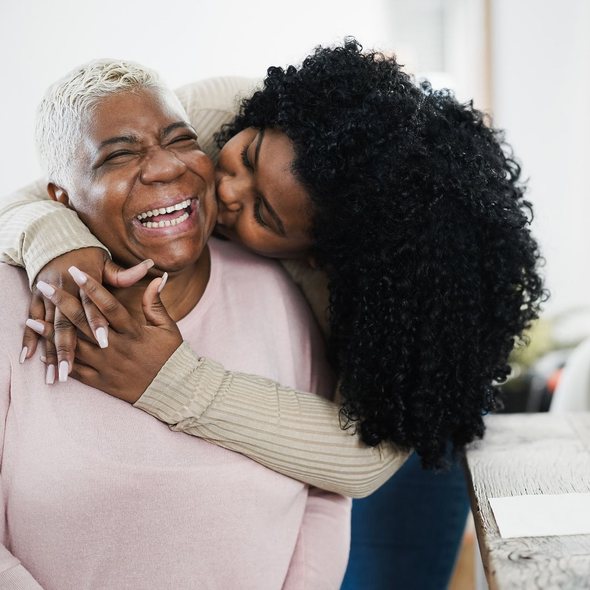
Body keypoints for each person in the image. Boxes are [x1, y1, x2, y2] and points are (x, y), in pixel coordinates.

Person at [0, 40, 546, 589]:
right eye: (248, 156)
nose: (224, 186)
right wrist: (51, 240)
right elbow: (52, 188)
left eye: (262, 212)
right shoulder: (212, 117)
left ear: (316, 255)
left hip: (388, 424)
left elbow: (359, 465)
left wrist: (168, 379)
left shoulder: (360, 299)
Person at [0, 58, 351, 589]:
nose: (165, 168)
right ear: (62, 198)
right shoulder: (12, 305)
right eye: (118, 154)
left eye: (181, 141)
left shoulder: (279, 296)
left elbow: (328, 492)